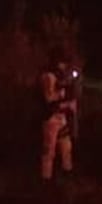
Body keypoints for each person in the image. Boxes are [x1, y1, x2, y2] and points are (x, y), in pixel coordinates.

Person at [39, 48, 77, 183]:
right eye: (63, 63)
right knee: (49, 151)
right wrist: (64, 101)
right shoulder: (48, 76)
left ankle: (67, 175)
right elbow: (48, 99)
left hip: (60, 118)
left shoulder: (60, 77)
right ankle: (46, 179)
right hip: (51, 118)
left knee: (66, 147)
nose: (64, 66)